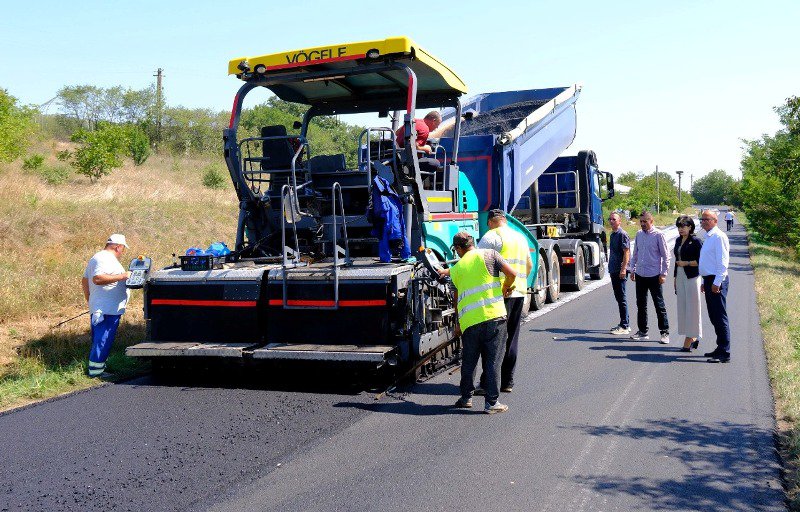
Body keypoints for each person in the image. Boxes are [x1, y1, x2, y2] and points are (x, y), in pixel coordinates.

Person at [438, 232, 516, 414]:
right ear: (472, 243)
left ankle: (466, 398)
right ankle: (491, 403)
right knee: (493, 361)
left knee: (469, 361)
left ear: (458, 248)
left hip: (470, 322)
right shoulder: (490, 255)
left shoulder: (457, 268)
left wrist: (458, 323)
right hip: (494, 317)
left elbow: (456, 299)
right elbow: (512, 274)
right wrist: (506, 287)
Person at [474, 209, 533, 393]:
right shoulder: (520, 237)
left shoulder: (491, 236)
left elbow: (478, 263)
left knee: (494, 339)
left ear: (491, 221)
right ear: (504, 220)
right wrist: (520, 282)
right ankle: (508, 381)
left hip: (500, 293)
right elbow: (529, 264)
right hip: (519, 292)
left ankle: (487, 383)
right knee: (512, 337)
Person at [81, 234, 131, 377]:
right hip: (106, 309)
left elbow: (85, 281)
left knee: (102, 339)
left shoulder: (98, 258)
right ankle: (96, 372)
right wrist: (123, 276)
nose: (122, 252)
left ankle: (98, 367)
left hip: (104, 307)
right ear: (118, 246)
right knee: (103, 339)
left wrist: (90, 300)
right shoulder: (103, 258)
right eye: (122, 249)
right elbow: (97, 278)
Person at [628, 211, 671, 343]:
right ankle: (642, 331)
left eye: (645, 221)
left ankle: (664, 333)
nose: (642, 224)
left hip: (654, 275)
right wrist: (632, 269)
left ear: (651, 221)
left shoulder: (658, 235)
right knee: (641, 304)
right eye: (641, 222)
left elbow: (666, 256)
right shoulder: (639, 234)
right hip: (641, 274)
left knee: (659, 304)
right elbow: (635, 253)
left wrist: (664, 273)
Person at [698, 210, 732, 362]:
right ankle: (719, 348)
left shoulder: (719, 236)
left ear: (715, 221)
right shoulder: (708, 236)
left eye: (707, 219)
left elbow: (723, 263)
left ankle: (724, 352)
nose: (704, 221)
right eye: (702, 219)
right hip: (709, 279)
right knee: (713, 316)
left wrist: (717, 282)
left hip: (717, 280)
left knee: (719, 316)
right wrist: (705, 281)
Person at [673, 215, 703, 351]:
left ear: (690, 227)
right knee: (683, 308)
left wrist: (686, 263)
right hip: (680, 275)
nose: (681, 229)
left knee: (693, 308)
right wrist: (674, 278)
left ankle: (690, 338)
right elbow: (676, 260)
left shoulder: (696, 241)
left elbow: (701, 261)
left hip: (692, 276)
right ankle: (693, 337)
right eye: (679, 227)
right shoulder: (678, 240)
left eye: (683, 226)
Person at [395, 111, 442, 188]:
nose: (436, 128)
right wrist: (425, 148)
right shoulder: (425, 129)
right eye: (437, 125)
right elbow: (412, 145)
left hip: (398, 157)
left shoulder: (414, 122)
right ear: (433, 121)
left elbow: (397, 133)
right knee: (435, 163)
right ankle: (414, 184)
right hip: (407, 161)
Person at [608, 212, 631, 335]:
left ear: (619, 221)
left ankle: (625, 325)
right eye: (610, 219)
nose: (611, 221)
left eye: (614, 219)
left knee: (621, 298)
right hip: (613, 269)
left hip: (619, 270)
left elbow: (626, 252)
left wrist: (623, 269)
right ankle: (624, 321)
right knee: (618, 297)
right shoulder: (613, 234)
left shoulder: (622, 234)